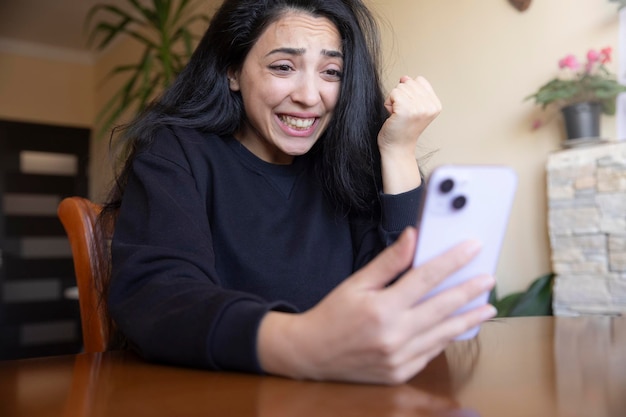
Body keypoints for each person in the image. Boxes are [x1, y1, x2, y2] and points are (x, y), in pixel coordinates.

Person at [103, 0, 496, 385]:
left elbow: (406, 309)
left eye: (331, 72)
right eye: (283, 67)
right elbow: (156, 295)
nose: (310, 96)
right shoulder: (176, 152)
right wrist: (300, 343)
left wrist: (398, 152)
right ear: (232, 71)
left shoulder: (348, 163)